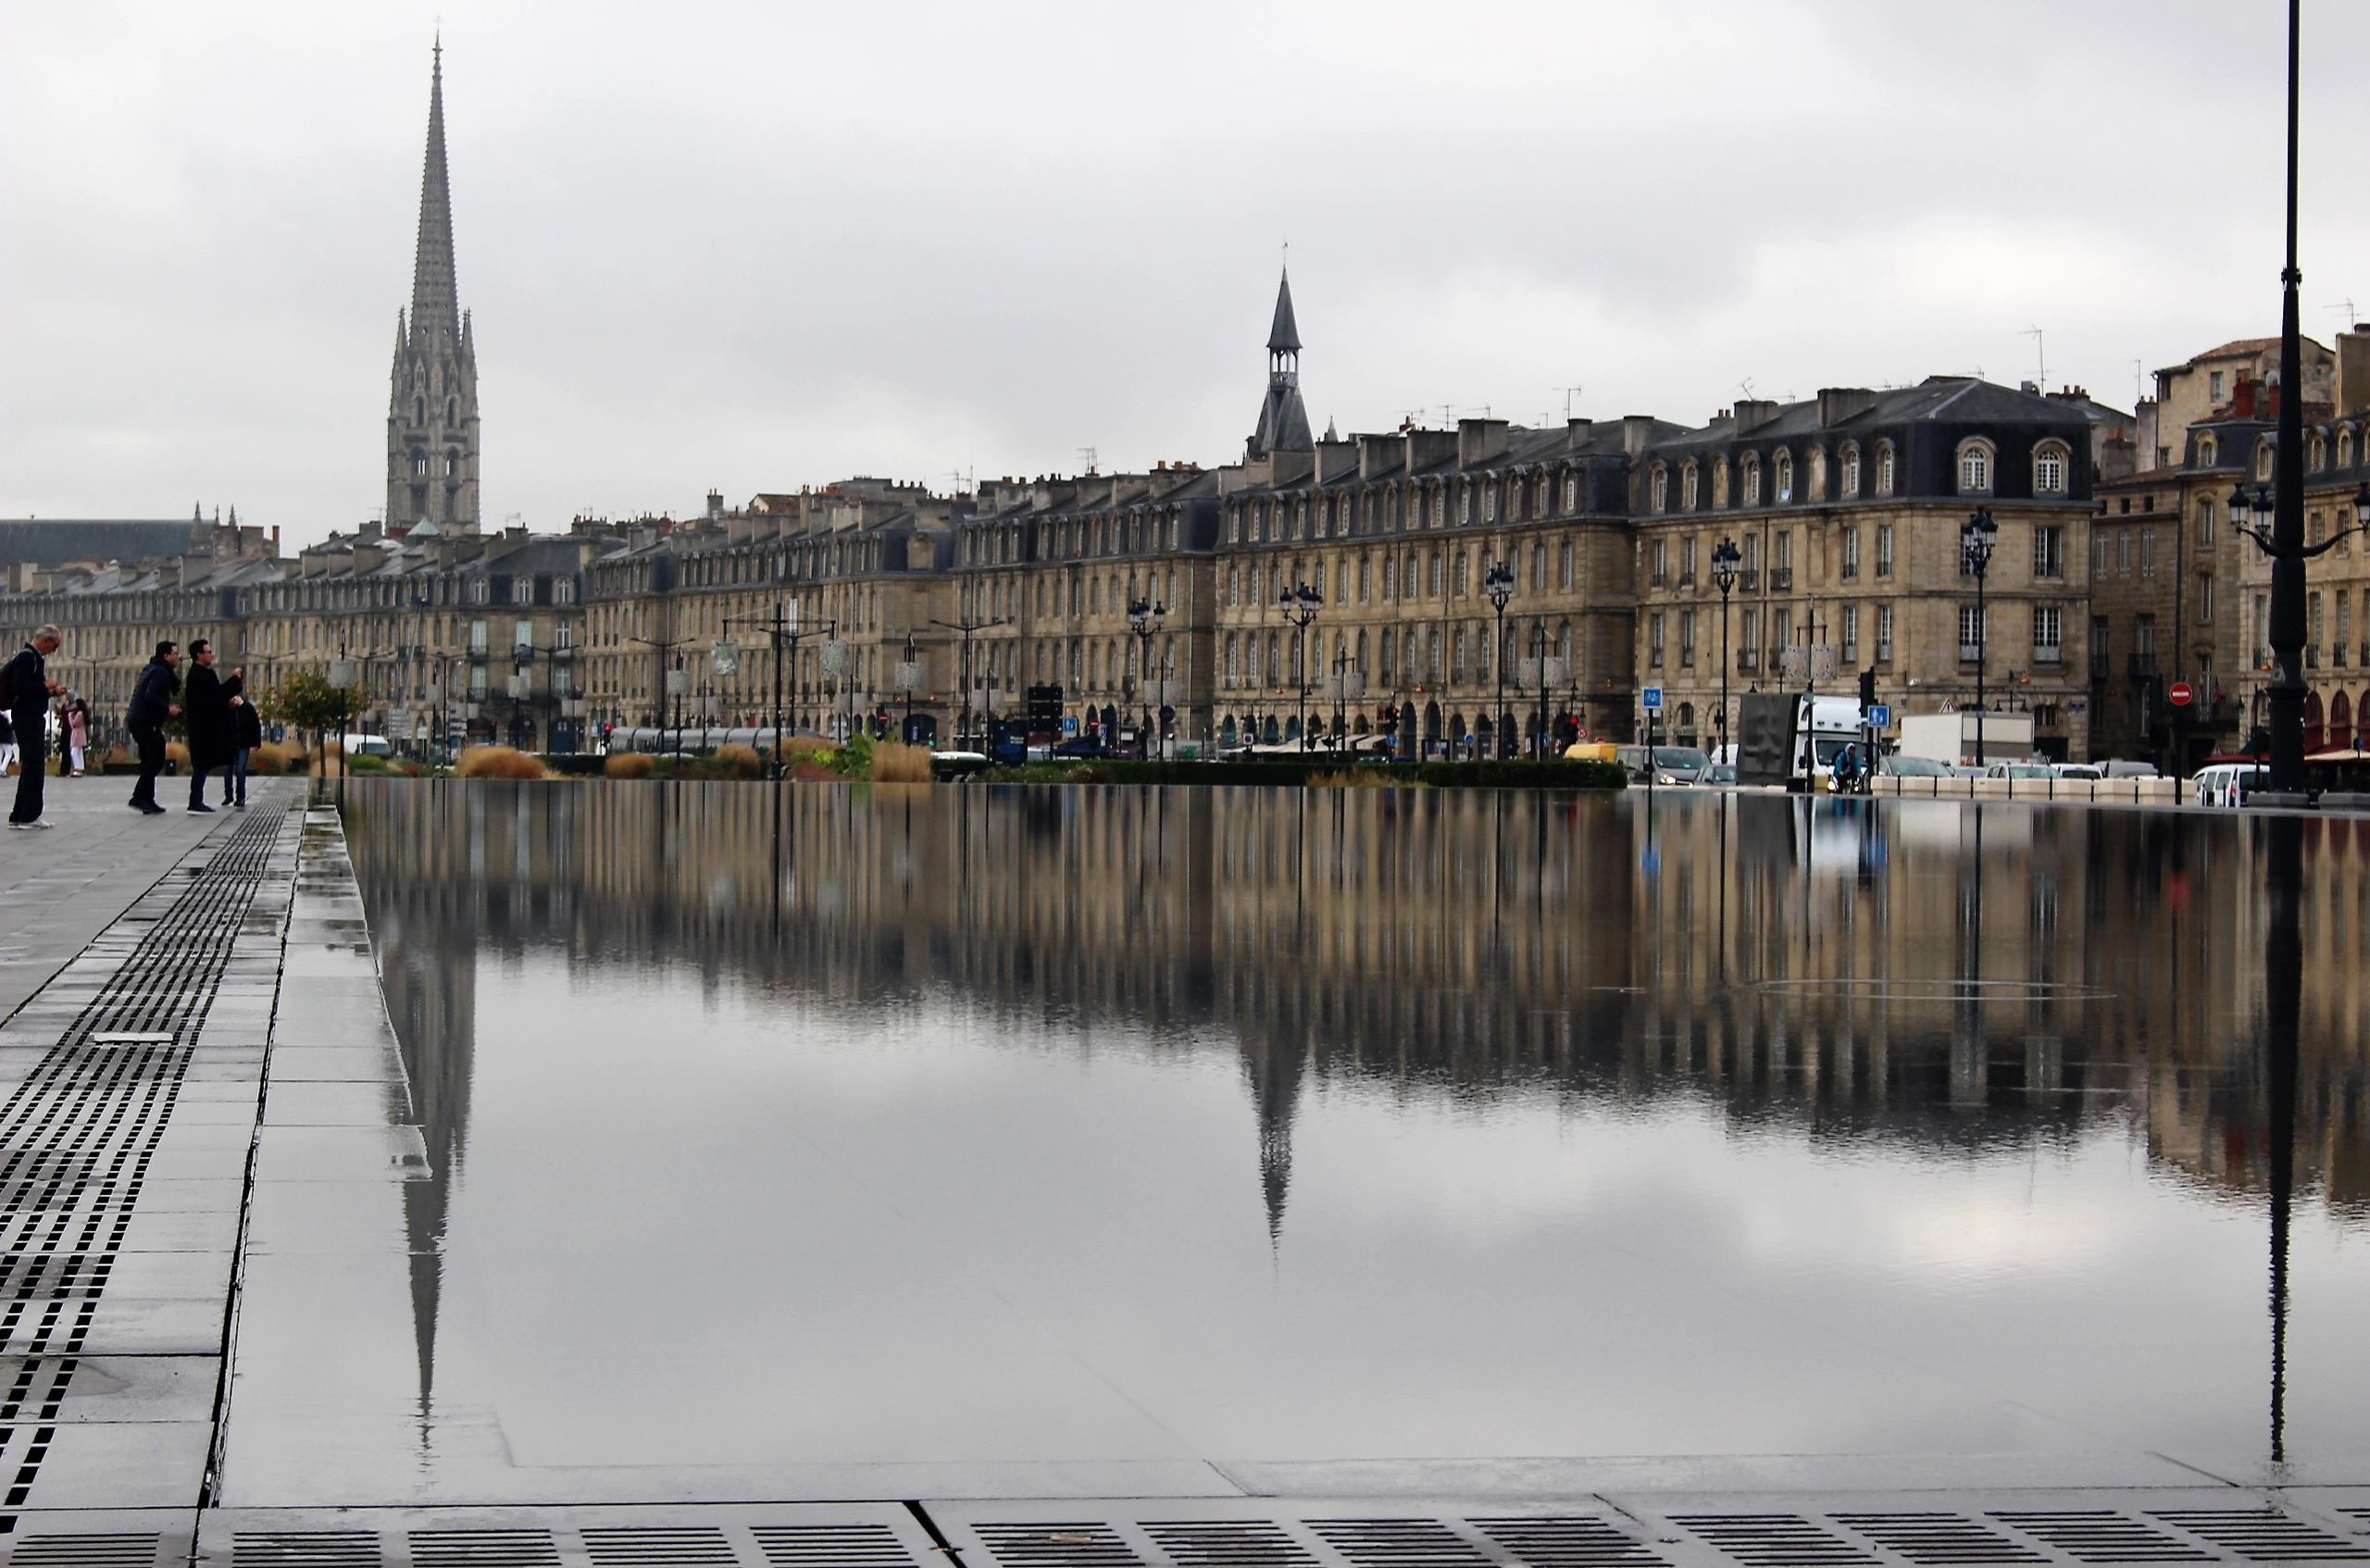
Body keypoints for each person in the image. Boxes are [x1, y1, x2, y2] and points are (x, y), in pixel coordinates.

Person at [3, 625, 65, 829]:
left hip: (29, 715)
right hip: (27, 718)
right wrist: (45, 685)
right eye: (55, 646)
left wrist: (50, 693)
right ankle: (27, 815)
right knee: (34, 767)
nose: (54, 651)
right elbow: (20, 687)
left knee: (32, 766)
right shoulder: (28, 658)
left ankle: (24, 814)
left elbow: (28, 691)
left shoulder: (31, 658)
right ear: (46, 640)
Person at [127, 641, 181, 815]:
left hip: (137, 718)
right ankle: (139, 796)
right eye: (175, 653)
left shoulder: (151, 668)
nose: (178, 657)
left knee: (148, 759)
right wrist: (168, 709)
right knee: (156, 758)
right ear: (166, 656)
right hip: (145, 720)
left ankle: (147, 800)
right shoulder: (160, 673)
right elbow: (150, 696)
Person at [181, 639, 230, 814]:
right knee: (201, 765)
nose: (212, 654)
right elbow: (217, 695)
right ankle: (195, 801)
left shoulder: (194, 674)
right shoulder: (203, 675)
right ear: (199, 655)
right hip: (204, 728)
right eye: (208, 652)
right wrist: (235, 681)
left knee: (202, 765)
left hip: (199, 727)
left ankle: (196, 800)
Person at [222, 666, 260, 809]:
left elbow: (255, 725)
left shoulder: (247, 708)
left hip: (243, 744)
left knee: (239, 769)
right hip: (229, 744)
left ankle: (241, 797)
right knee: (227, 770)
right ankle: (228, 795)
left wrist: (256, 742)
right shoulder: (227, 707)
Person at [66, 699, 90, 778]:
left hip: (77, 734)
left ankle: (77, 768)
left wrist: (70, 716)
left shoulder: (79, 714)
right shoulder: (82, 713)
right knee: (79, 752)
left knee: (74, 752)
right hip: (80, 733)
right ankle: (80, 768)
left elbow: (73, 724)